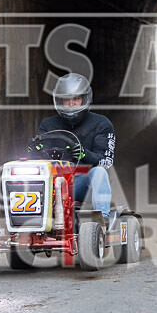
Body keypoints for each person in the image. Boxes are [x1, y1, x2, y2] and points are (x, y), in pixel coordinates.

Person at [34, 73, 115, 223]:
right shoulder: (48, 125)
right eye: (66, 100)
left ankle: (102, 220)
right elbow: (39, 156)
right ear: (59, 101)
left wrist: (84, 154)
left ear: (85, 99)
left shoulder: (101, 124)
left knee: (99, 172)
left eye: (76, 99)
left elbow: (106, 161)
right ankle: (20, 220)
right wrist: (33, 151)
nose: (71, 104)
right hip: (51, 185)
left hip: (80, 184)